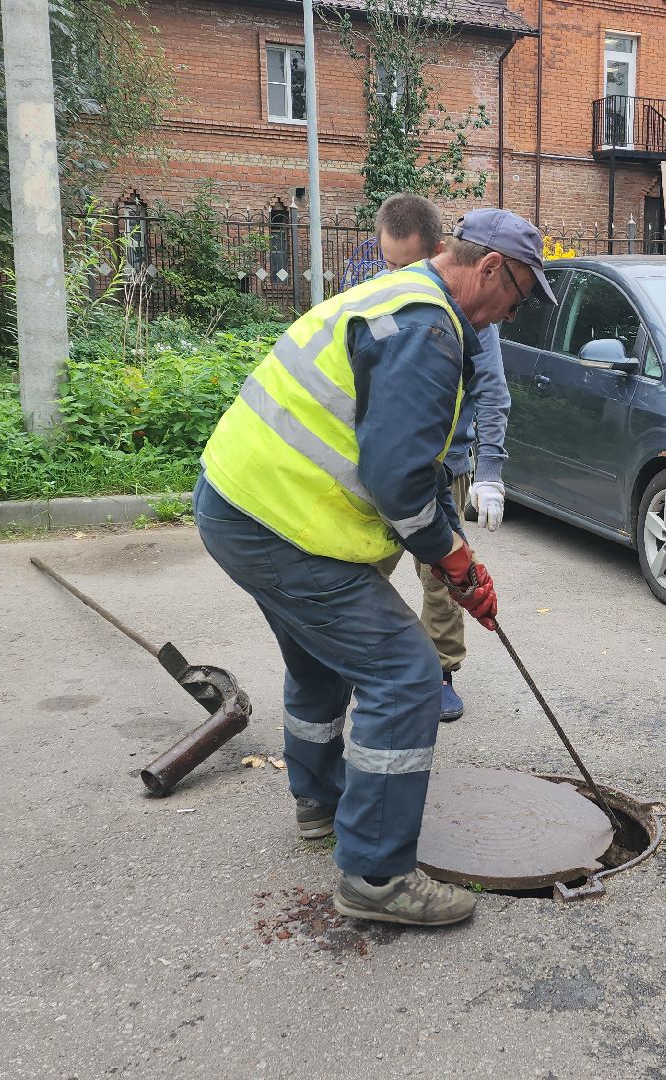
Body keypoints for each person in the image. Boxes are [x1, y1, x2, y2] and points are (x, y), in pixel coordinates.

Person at [194, 208, 555, 927]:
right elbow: (397, 483)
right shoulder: (428, 330)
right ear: (488, 268)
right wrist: (451, 555)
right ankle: (378, 876)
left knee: (321, 664)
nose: (508, 317)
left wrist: (457, 556)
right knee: (407, 674)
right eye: (515, 297)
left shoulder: (399, 298)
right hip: (283, 527)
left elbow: (406, 465)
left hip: (242, 505)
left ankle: (320, 806)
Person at [373, 197, 511, 723]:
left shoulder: (474, 316)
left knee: (443, 578)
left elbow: (493, 392)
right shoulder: (381, 301)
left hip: (443, 466)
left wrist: (491, 472)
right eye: (388, 266)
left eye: (406, 265)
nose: (398, 277)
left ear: (438, 254)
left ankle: (440, 673)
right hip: (384, 470)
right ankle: (366, 667)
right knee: (362, 572)